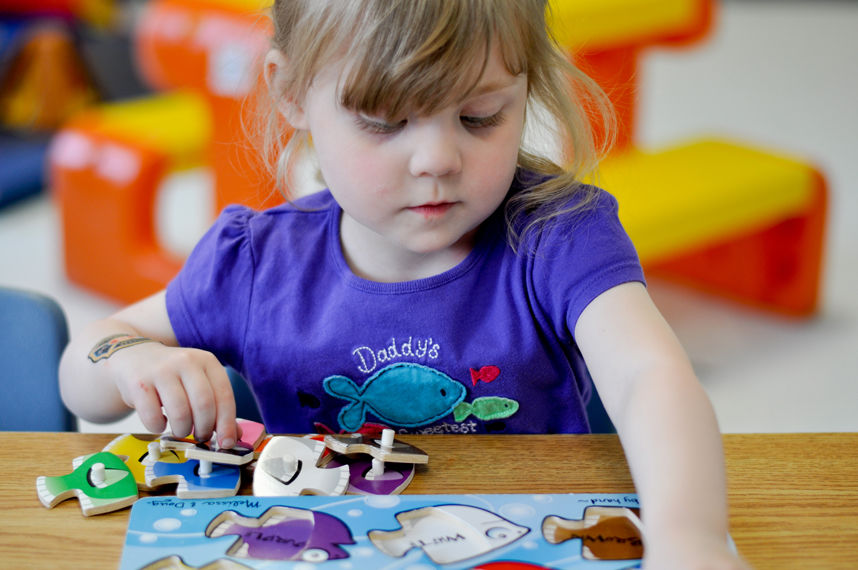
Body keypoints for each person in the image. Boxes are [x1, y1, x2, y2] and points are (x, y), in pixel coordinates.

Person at [60, 1, 749, 567]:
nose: (436, 159)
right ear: (291, 94)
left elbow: (649, 376)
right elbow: (85, 363)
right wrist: (130, 361)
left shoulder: (559, 233)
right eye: (386, 121)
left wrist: (690, 538)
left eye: (480, 116)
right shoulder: (253, 263)